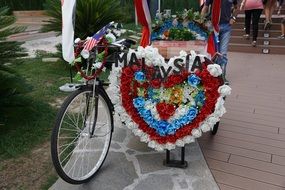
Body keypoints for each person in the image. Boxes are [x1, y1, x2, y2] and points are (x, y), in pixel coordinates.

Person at [201, 0, 238, 84]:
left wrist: (233, 17)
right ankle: (212, 75)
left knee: (223, 53)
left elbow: (236, 7)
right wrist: (200, 21)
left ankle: (222, 77)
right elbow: (205, 7)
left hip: (226, 27)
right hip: (213, 26)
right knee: (213, 52)